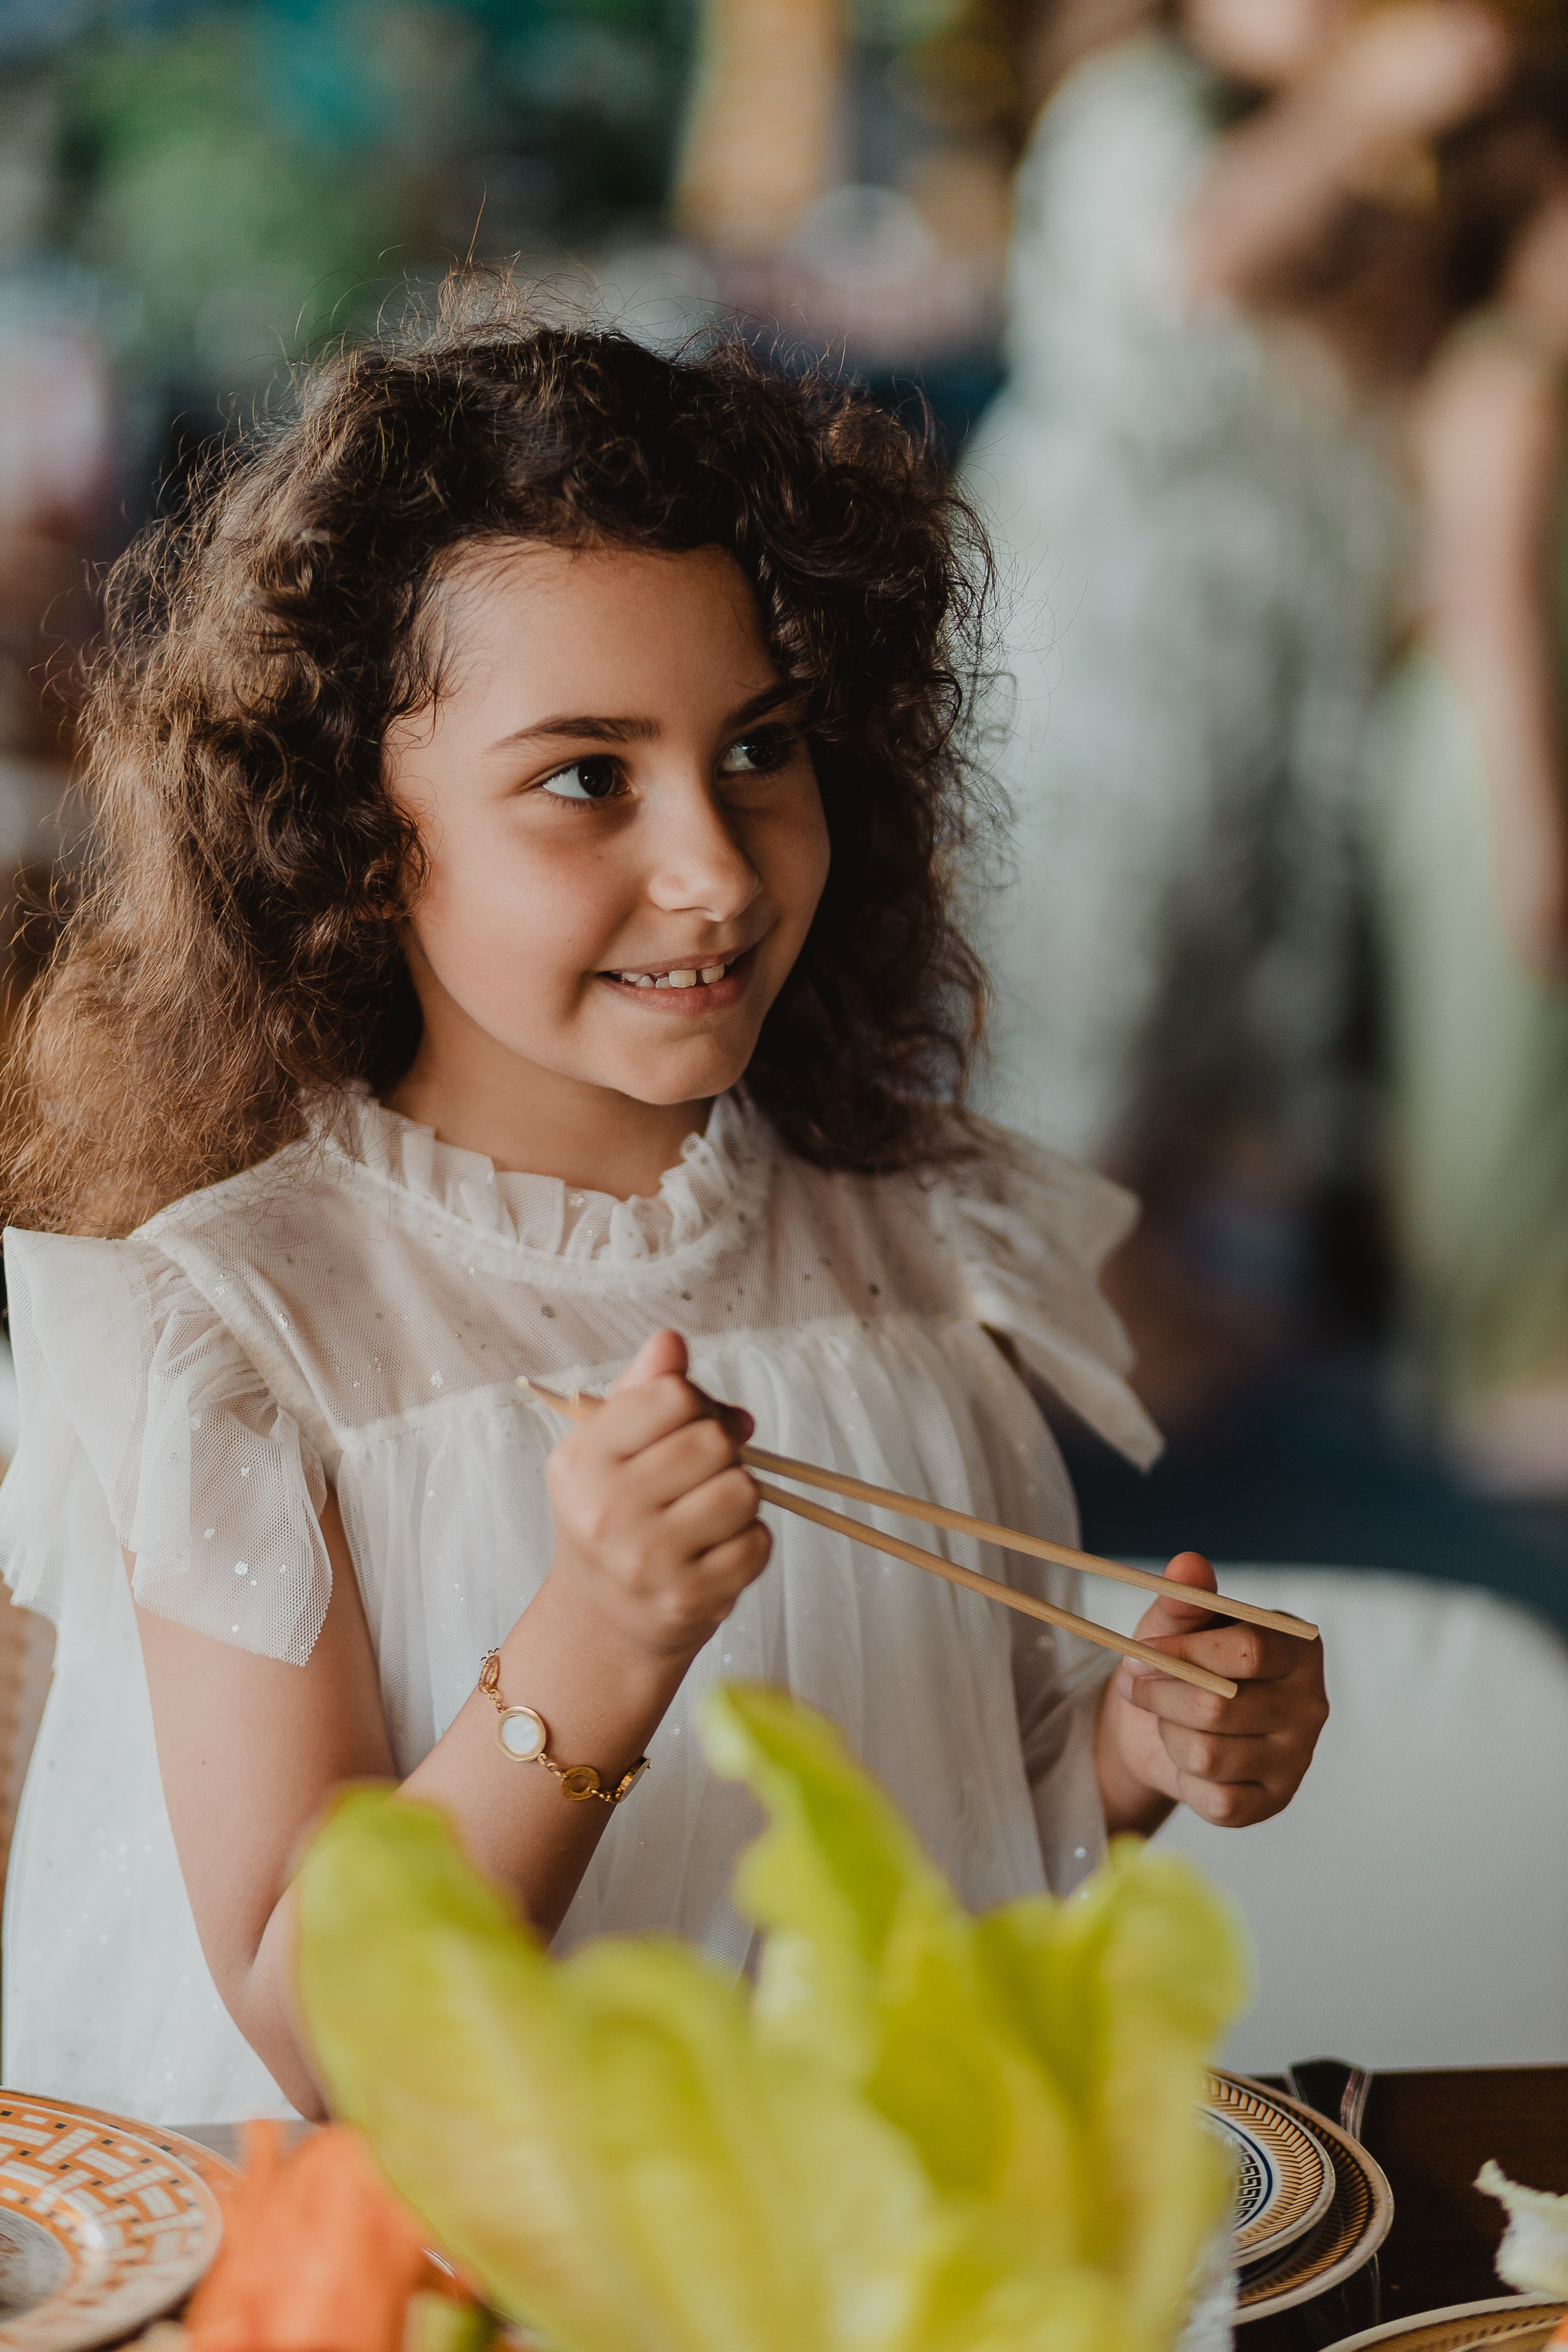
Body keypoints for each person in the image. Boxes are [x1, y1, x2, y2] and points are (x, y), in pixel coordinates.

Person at [0, 289, 1327, 2127]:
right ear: (361, 837)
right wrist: (599, 1640)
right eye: (585, 780)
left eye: (761, 751)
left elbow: (941, 1820)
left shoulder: (914, 1251)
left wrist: (1124, 1750)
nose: (712, 869)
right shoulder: (246, 1338)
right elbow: (319, 2023)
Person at [961, 0, 1509, 1426]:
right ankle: (1016, 1338)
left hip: (1257, 665)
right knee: (1099, 985)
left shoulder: (1347, 156)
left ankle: (1125, 1294)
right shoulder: (1138, 104)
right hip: (1120, 647)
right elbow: (1188, 268)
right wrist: (1369, 103)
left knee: (1203, 995)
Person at [1366, 167, 1568, 1495]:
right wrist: (1531, 820)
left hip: (1501, 746)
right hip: (1486, 758)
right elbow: (1487, 608)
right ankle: (1490, 1382)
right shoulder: (1508, 372)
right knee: (1490, 1071)